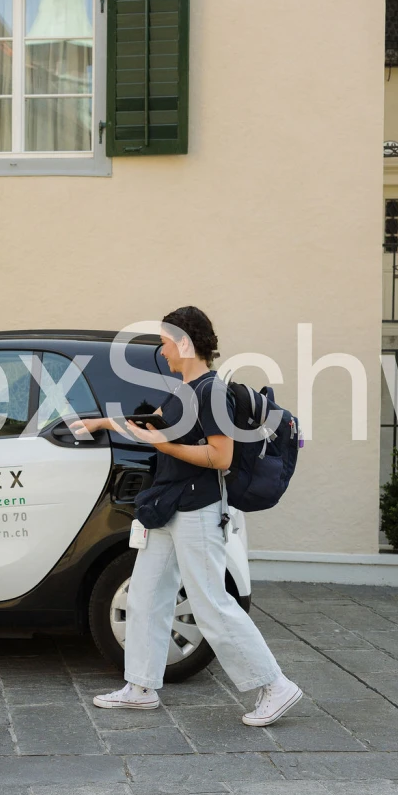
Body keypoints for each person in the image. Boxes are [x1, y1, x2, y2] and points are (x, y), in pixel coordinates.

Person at [73, 307, 303, 726]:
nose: (162, 352)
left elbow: (221, 456)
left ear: (184, 343)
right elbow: (153, 425)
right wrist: (103, 422)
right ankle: (140, 687)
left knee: (210, 602)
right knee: (145, 595)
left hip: (197, 511)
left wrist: (163, 445)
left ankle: (275, 685)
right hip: (167, 507)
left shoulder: (211, 392)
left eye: (165, 343)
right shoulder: (184, 391)